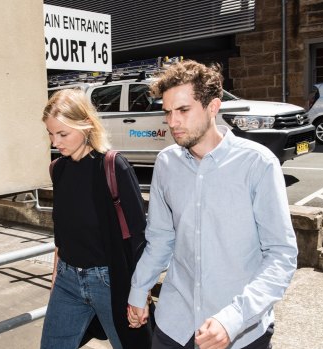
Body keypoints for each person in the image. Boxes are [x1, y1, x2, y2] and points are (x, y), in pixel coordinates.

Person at [127, 60, 298, 349]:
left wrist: (232, 319)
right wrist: (138, 290)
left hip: (240, 330)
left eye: (183, 110)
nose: (172, 122)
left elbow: (281, 255)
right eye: (167, 112)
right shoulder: (166, 163)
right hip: (174, 323)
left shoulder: (258, 163)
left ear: (213, 107)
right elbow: (160, 238)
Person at [40, 89, 152, 349]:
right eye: (50, 134)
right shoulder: (58, 169)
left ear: (86, 125)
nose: (55, 142)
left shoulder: (113, 166)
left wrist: (141, 291)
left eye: (63, 133)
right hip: (67, 281)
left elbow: (139, 236)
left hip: (109, 281)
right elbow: (62, 227)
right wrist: (57, 272)